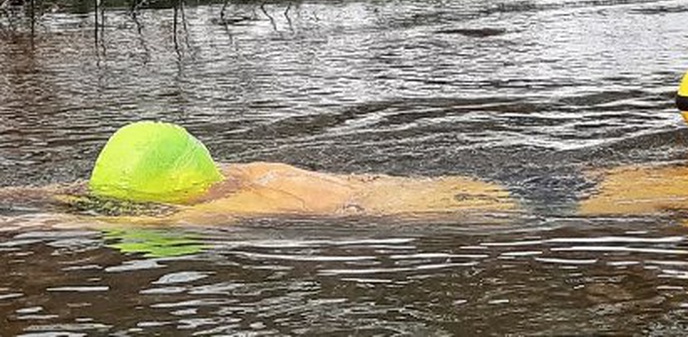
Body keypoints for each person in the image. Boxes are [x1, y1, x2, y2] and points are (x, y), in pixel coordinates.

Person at [1, 121, 516, 225]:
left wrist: (23, 221)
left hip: (491, 206)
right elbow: (83, 194)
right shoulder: (244, 173)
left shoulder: (248, 203)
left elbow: (150, 222)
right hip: (449, 189)